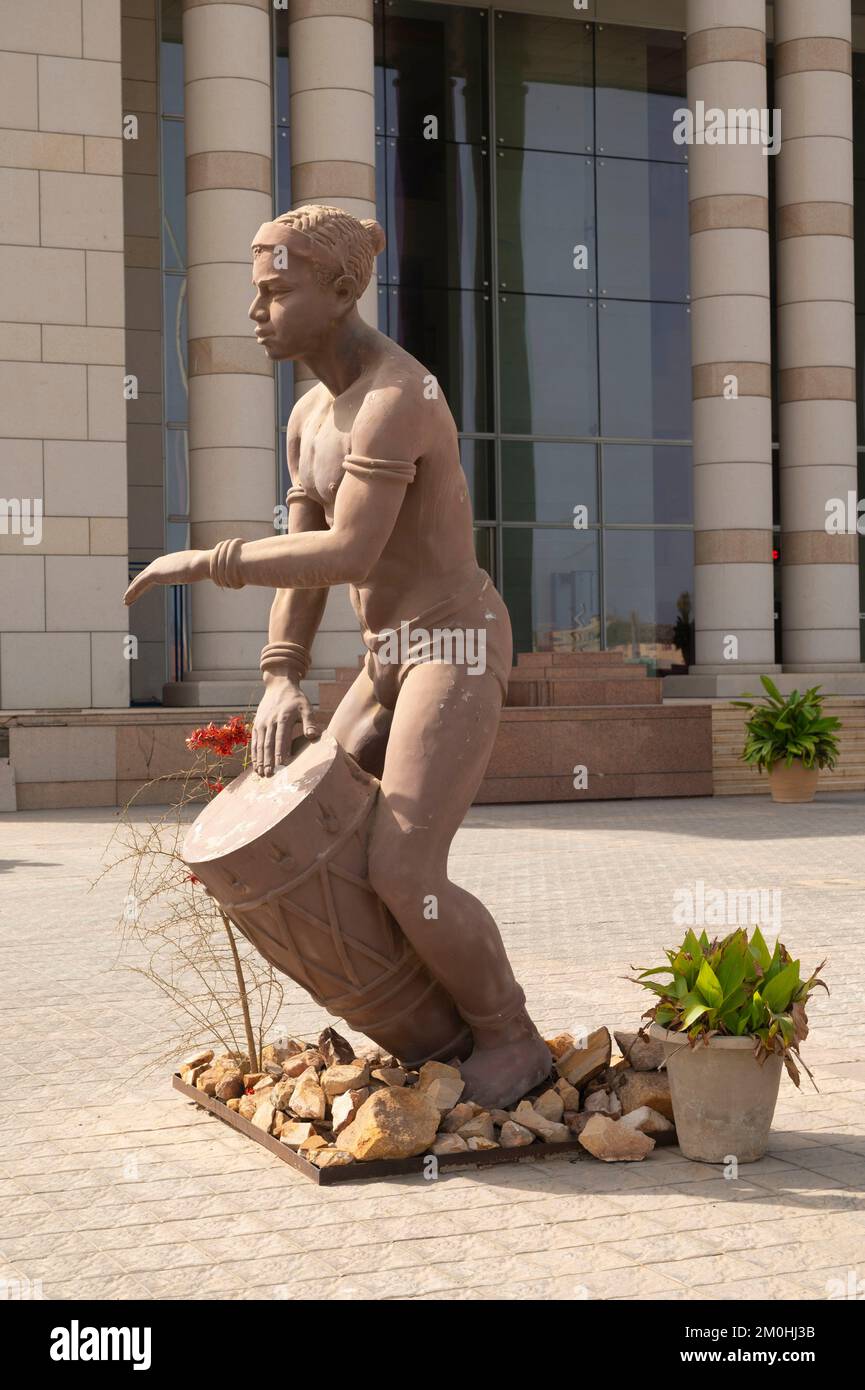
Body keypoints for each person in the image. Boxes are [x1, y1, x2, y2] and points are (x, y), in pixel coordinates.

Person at [124, 205, 550, 1107]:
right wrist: (280, 672)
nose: (256, 310)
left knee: (402, 865)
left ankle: (512, 1038)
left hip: (454, 644)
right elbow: (309, 556)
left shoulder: (397, 398)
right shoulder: (310, 412)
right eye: (257, 290)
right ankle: (432, 1023)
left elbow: (351, 552)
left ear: (343, 289)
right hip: (387, 654)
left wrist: (204, 561)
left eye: (277, 291)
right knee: (305, 825)